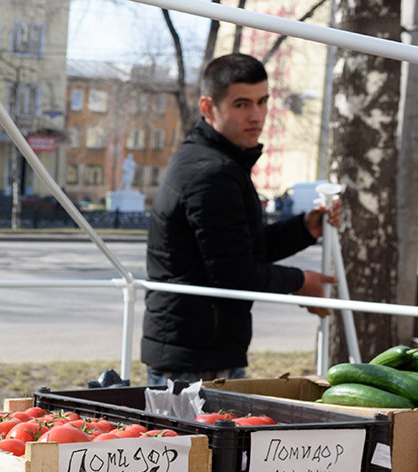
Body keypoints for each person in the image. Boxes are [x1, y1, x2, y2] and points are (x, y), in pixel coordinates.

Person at [142, 53, 340, 387]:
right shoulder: (211, 171)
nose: (257, 116)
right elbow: (233, 273)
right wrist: (300, 281)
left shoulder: (216, 161)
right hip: (194, 359)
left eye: (263, 102)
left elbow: (239, 249)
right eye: (242, 104)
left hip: (200, 350)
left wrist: (304, 229)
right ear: (208, 107)